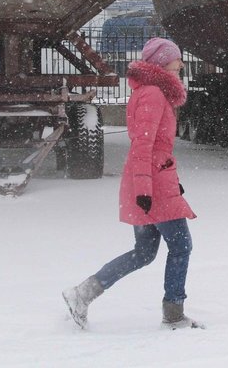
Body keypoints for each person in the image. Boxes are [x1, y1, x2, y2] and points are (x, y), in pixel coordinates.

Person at [63, 37, 203, 330]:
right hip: (151, 185)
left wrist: (167, 184)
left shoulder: (151, 92)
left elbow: (153, 151)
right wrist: (144, 190)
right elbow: (143, 145)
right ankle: (174, 315)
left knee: (144, 253)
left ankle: (82, 294)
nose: (181, 65)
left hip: (155, 181)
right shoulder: (153, 94)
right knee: (181, 246)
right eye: (177, 60)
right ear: (163, 62)